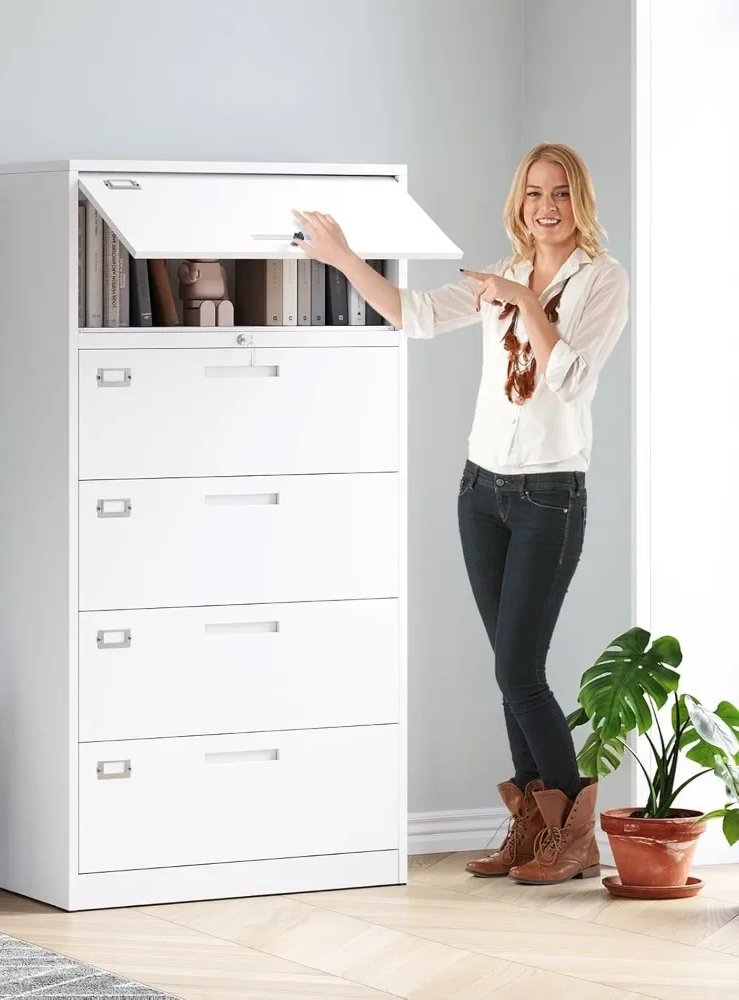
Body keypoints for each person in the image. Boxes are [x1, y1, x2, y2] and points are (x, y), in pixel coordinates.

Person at [292, 142, 628, 886]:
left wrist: (532, 305)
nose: (547, 207)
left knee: (520, 667)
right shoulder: (499, 276)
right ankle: (533, 828)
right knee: (509, 674)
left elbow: (569, 380)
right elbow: (412, 317)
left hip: (550, 493)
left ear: (581, 203)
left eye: (561, 194)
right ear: (520, 202)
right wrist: (346, 257)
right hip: (481, 491)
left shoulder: (603, 280)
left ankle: (572, 836)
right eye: (536, 193)